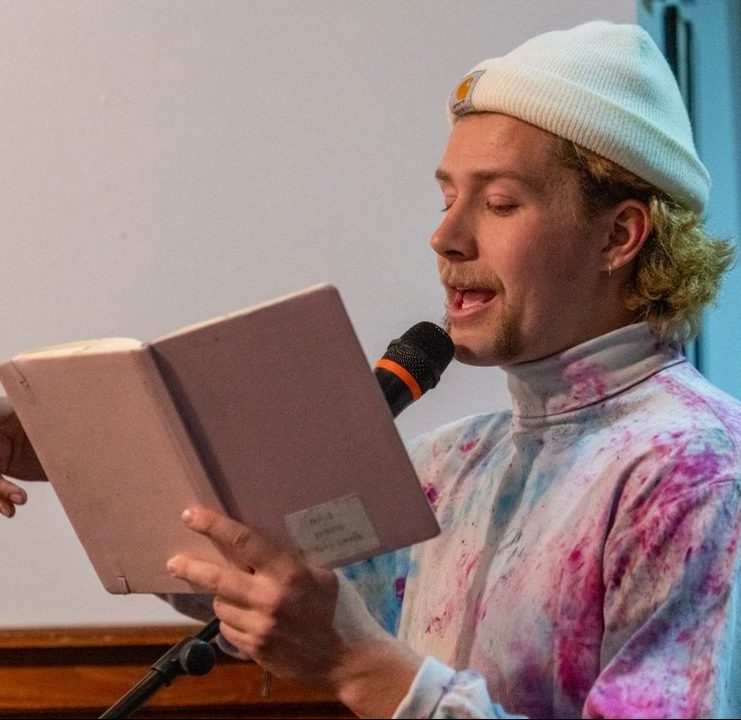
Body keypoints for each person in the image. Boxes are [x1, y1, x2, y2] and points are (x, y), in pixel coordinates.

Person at [4, 19, 740, 719]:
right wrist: (77, 456)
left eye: (499, 202)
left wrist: (357, 664)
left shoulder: (694, 470)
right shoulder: (453, 464)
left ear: (618, 235)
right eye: (447, 198)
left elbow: (347, 649)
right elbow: (266, 586)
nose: (445, 235)